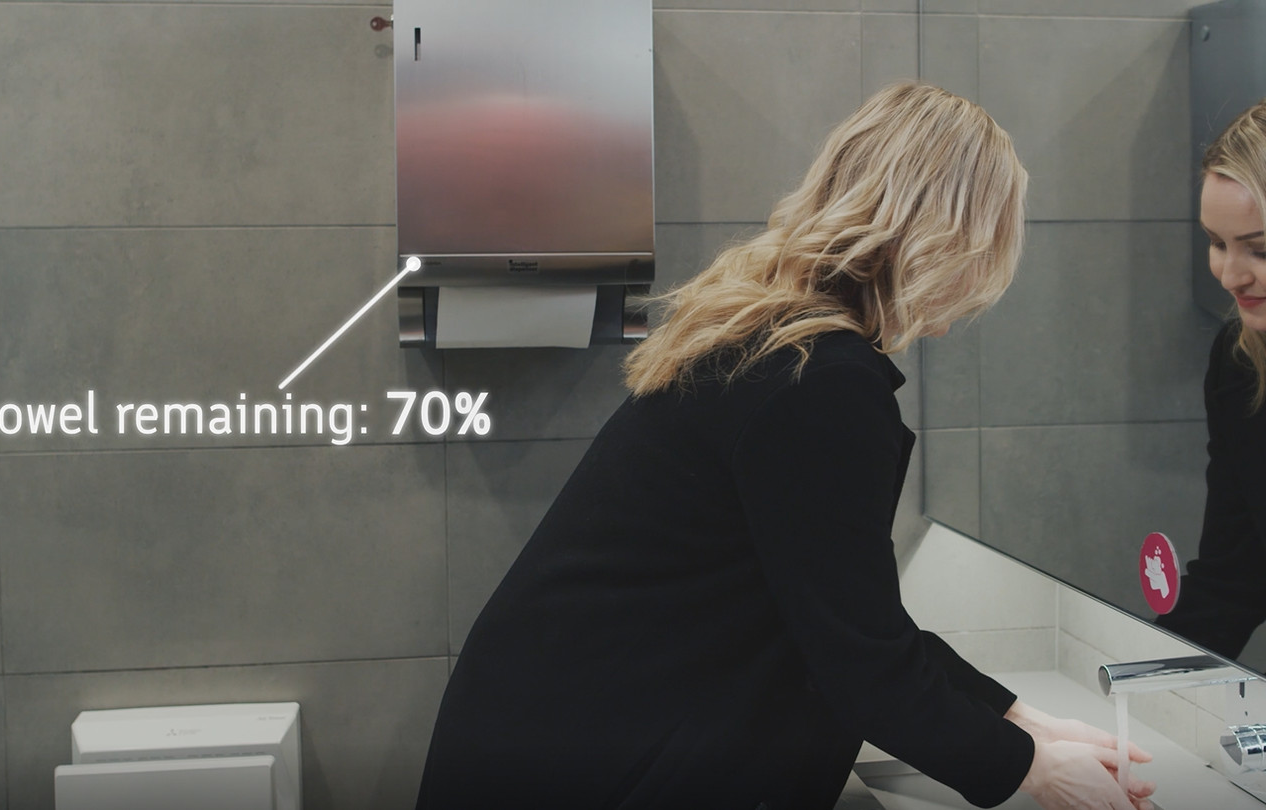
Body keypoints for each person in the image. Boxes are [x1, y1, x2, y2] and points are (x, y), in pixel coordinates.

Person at [415, 82, 1154, 810]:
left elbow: (834, 613)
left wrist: (1023, 721)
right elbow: (861, 664)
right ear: (943, 239)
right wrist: (1035, 770)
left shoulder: (765, 338)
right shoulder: (818, 384)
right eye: (986, 254)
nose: (975, 296)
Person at [1156, 99, 1266, 659]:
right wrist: (1151, 683)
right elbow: (1233, 575)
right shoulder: (1241, 361)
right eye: (1217, 243)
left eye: (1261, 249)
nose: (1230, 274)